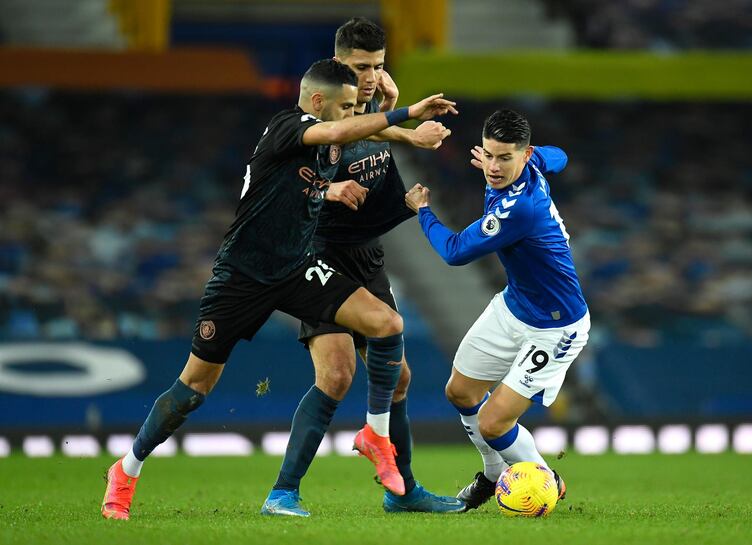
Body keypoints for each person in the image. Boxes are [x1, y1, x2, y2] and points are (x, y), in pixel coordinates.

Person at [100, 58, 456, 520]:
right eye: (345, 106)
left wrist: (404, 131)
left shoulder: (332, 138)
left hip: (296, 268)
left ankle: (374, 435)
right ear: (315, 102)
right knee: (193, 388)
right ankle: (125, 471)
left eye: (356, 107)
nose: (351, 114)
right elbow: (335, 134)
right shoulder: (288, 127)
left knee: (387, 322)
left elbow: (357, 135)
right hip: (242, 276)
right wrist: (405, 113)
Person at [263, 18, 465, 517]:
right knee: (336, 375)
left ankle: (404, 491)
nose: (371, 76)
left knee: (398, 378)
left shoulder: (371, 105)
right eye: (360, 67)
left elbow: (367, 137)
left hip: (367, 255)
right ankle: (283, 492)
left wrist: (407, 134)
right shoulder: (313, 119)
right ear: (338, 65)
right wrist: (326, 188)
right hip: (319, 255)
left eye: (377, 65)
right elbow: (278, 179)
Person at [404, 109, 590, 511]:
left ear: (522, 156)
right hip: (513, 306)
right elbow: (560, 157)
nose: (492, 166)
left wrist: (423, 210)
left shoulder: (518, 210)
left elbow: (454, 252)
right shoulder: (530, 162)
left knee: (493, 422)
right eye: (488, 155)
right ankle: (492, 475)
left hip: (556, 327)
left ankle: (545, 481)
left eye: (504, 158)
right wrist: (537, 155)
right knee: (460, 391)